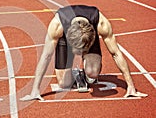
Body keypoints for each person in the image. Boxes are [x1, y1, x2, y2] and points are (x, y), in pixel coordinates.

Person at [20, 5, 148, 101]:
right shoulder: (57, 26)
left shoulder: (101, 24)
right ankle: (73, 72)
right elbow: (46, 56)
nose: (79, 54)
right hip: (66, 38)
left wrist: (131, 86)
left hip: (87, 37)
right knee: (64, 84)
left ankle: (87, 71)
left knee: (92, 73)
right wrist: (35, 90)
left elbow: (116, 53)